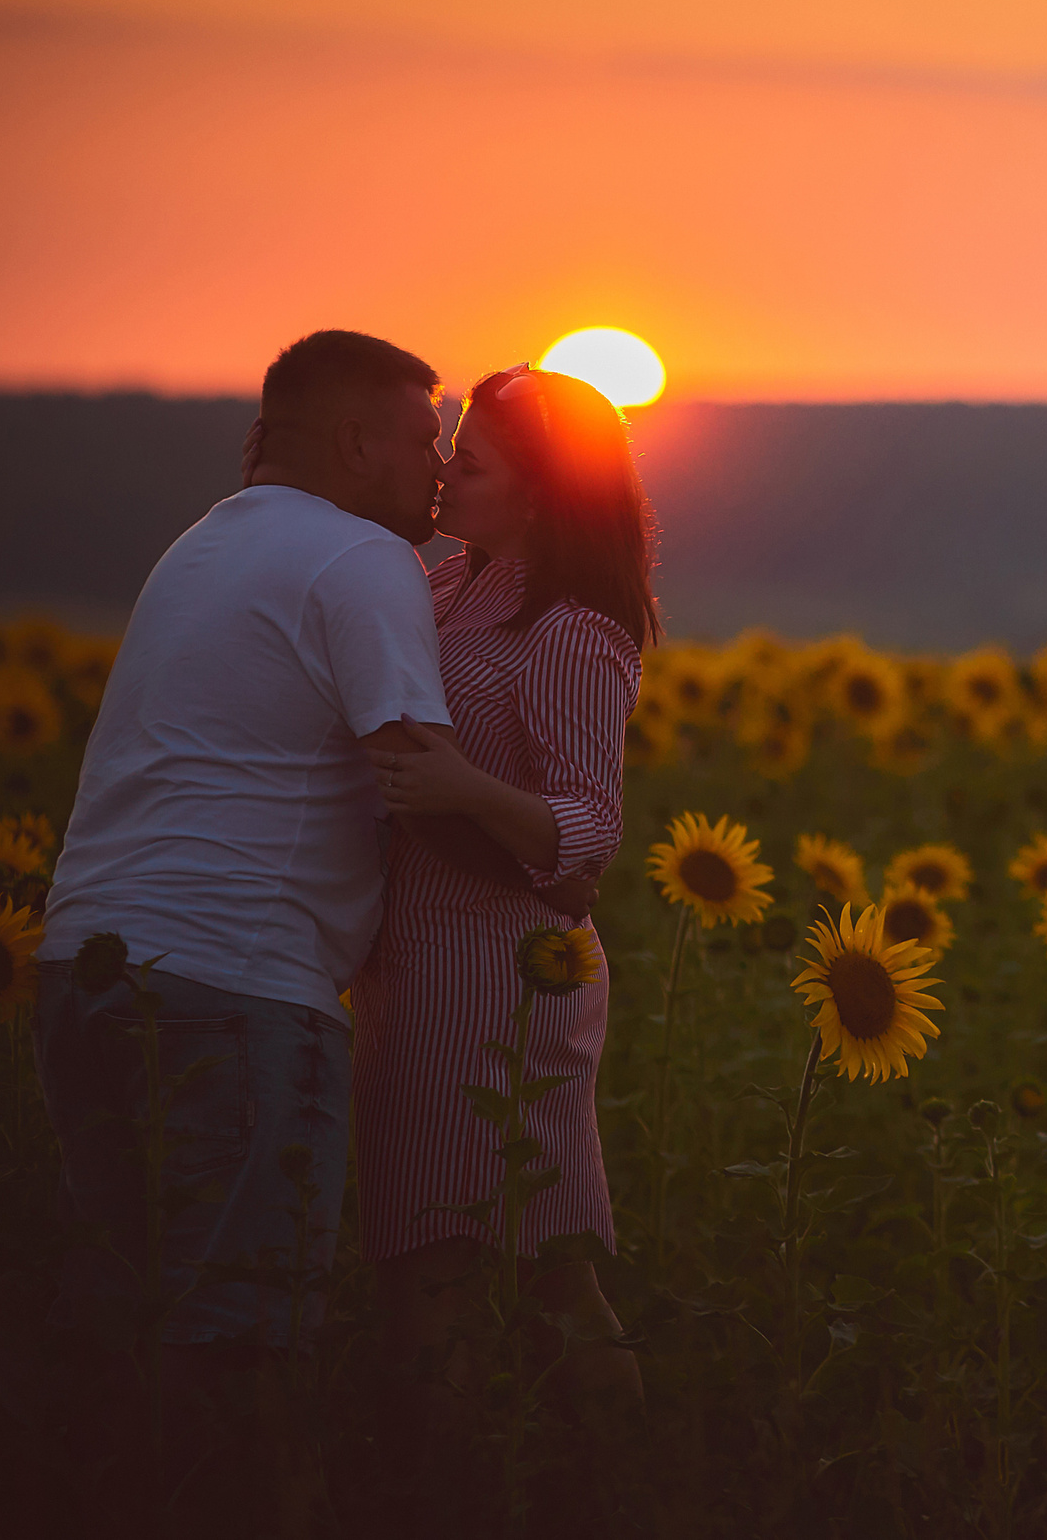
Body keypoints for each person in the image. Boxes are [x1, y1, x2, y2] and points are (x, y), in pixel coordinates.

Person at [32, 330, 571, 1538]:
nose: (437, 474)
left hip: (86, 968)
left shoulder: (202, 546)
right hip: (237, 986)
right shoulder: (357, 558)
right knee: (245, 1348)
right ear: (354, 442)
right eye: (426, 440)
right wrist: (559, 858)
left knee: (132, 1326)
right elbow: (416, 768)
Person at [348, 363, 658, 1486]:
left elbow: (588, 835)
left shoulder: (573, 628)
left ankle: (594, 1485)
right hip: (414, 957)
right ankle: (476, 1479)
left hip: (503, 968)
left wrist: (462, 792)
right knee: (423, 1248)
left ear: (538, 492)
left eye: (468, 462)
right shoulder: (443, 589)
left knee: (523, 1262)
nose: (440, 475)